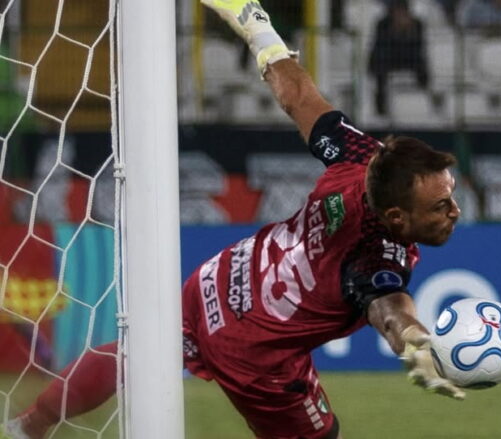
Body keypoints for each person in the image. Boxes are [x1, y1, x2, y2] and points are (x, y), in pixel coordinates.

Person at [1, 1, 465, 438]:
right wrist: (415, 341)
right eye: (441, 205)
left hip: (222, 280)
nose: (454, 211)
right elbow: (388, 306)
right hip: (256, 349)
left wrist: (254, 24)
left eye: (450, 197)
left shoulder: (363, 158)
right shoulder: (379, 252)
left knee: (140, 353)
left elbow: (298, 96)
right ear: (397, 217)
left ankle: (28, 425)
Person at [368, 0, 431, 116]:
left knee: (421, 65)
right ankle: (381, 107)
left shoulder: (417, 24)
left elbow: (418, 47)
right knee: (380, 66)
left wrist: (407, 32)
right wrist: (395, 31)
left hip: (408, 57)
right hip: (388, 57)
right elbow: (381, 46)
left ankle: (424, 100)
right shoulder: (382, 24)